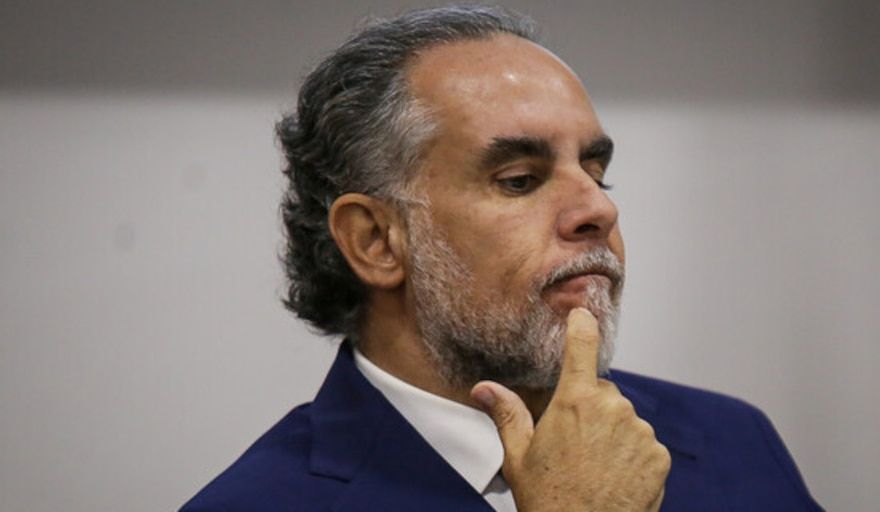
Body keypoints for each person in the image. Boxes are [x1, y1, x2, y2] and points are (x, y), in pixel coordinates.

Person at [181, 5, 823, 511]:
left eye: (596, 173)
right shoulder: (258, 503)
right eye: (519, 180)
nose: (598, 209)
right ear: (376, 241)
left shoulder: (733, 440)